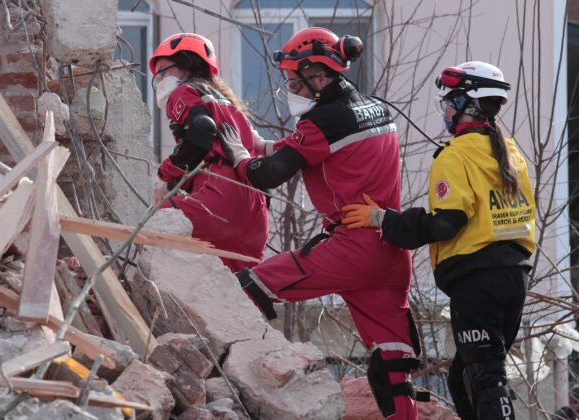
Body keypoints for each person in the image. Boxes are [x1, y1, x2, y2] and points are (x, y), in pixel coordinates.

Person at [218, 27, 427, 419]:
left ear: (319, 77)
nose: (291, 89)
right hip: (390, 250)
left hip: (350, 246)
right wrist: (258, 144)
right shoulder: (376, 108)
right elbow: (304, 148)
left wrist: (240, 158)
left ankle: (227, 383)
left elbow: (270, 173)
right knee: (393, 365)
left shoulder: (323, 122)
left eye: (295, 82)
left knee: (249, 287)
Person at [340, 61, 536, 420]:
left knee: (484, 374)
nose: (445, 110)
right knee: (462, 375)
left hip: (478, 278)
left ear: (469, 105)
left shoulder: (456, 155)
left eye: (449, 102)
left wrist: (384, 220)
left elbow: (447, 224)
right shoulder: (509, 151)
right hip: (515, 276)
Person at [148, 33, 269, 272]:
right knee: (239, 292)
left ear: (186, 66)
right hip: (255, 212)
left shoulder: (184, 92)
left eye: (164, 71)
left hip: (218, 198)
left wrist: (165, 175)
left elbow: (202, 131)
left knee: (152, 223)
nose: (160, 80)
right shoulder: (229, 104)